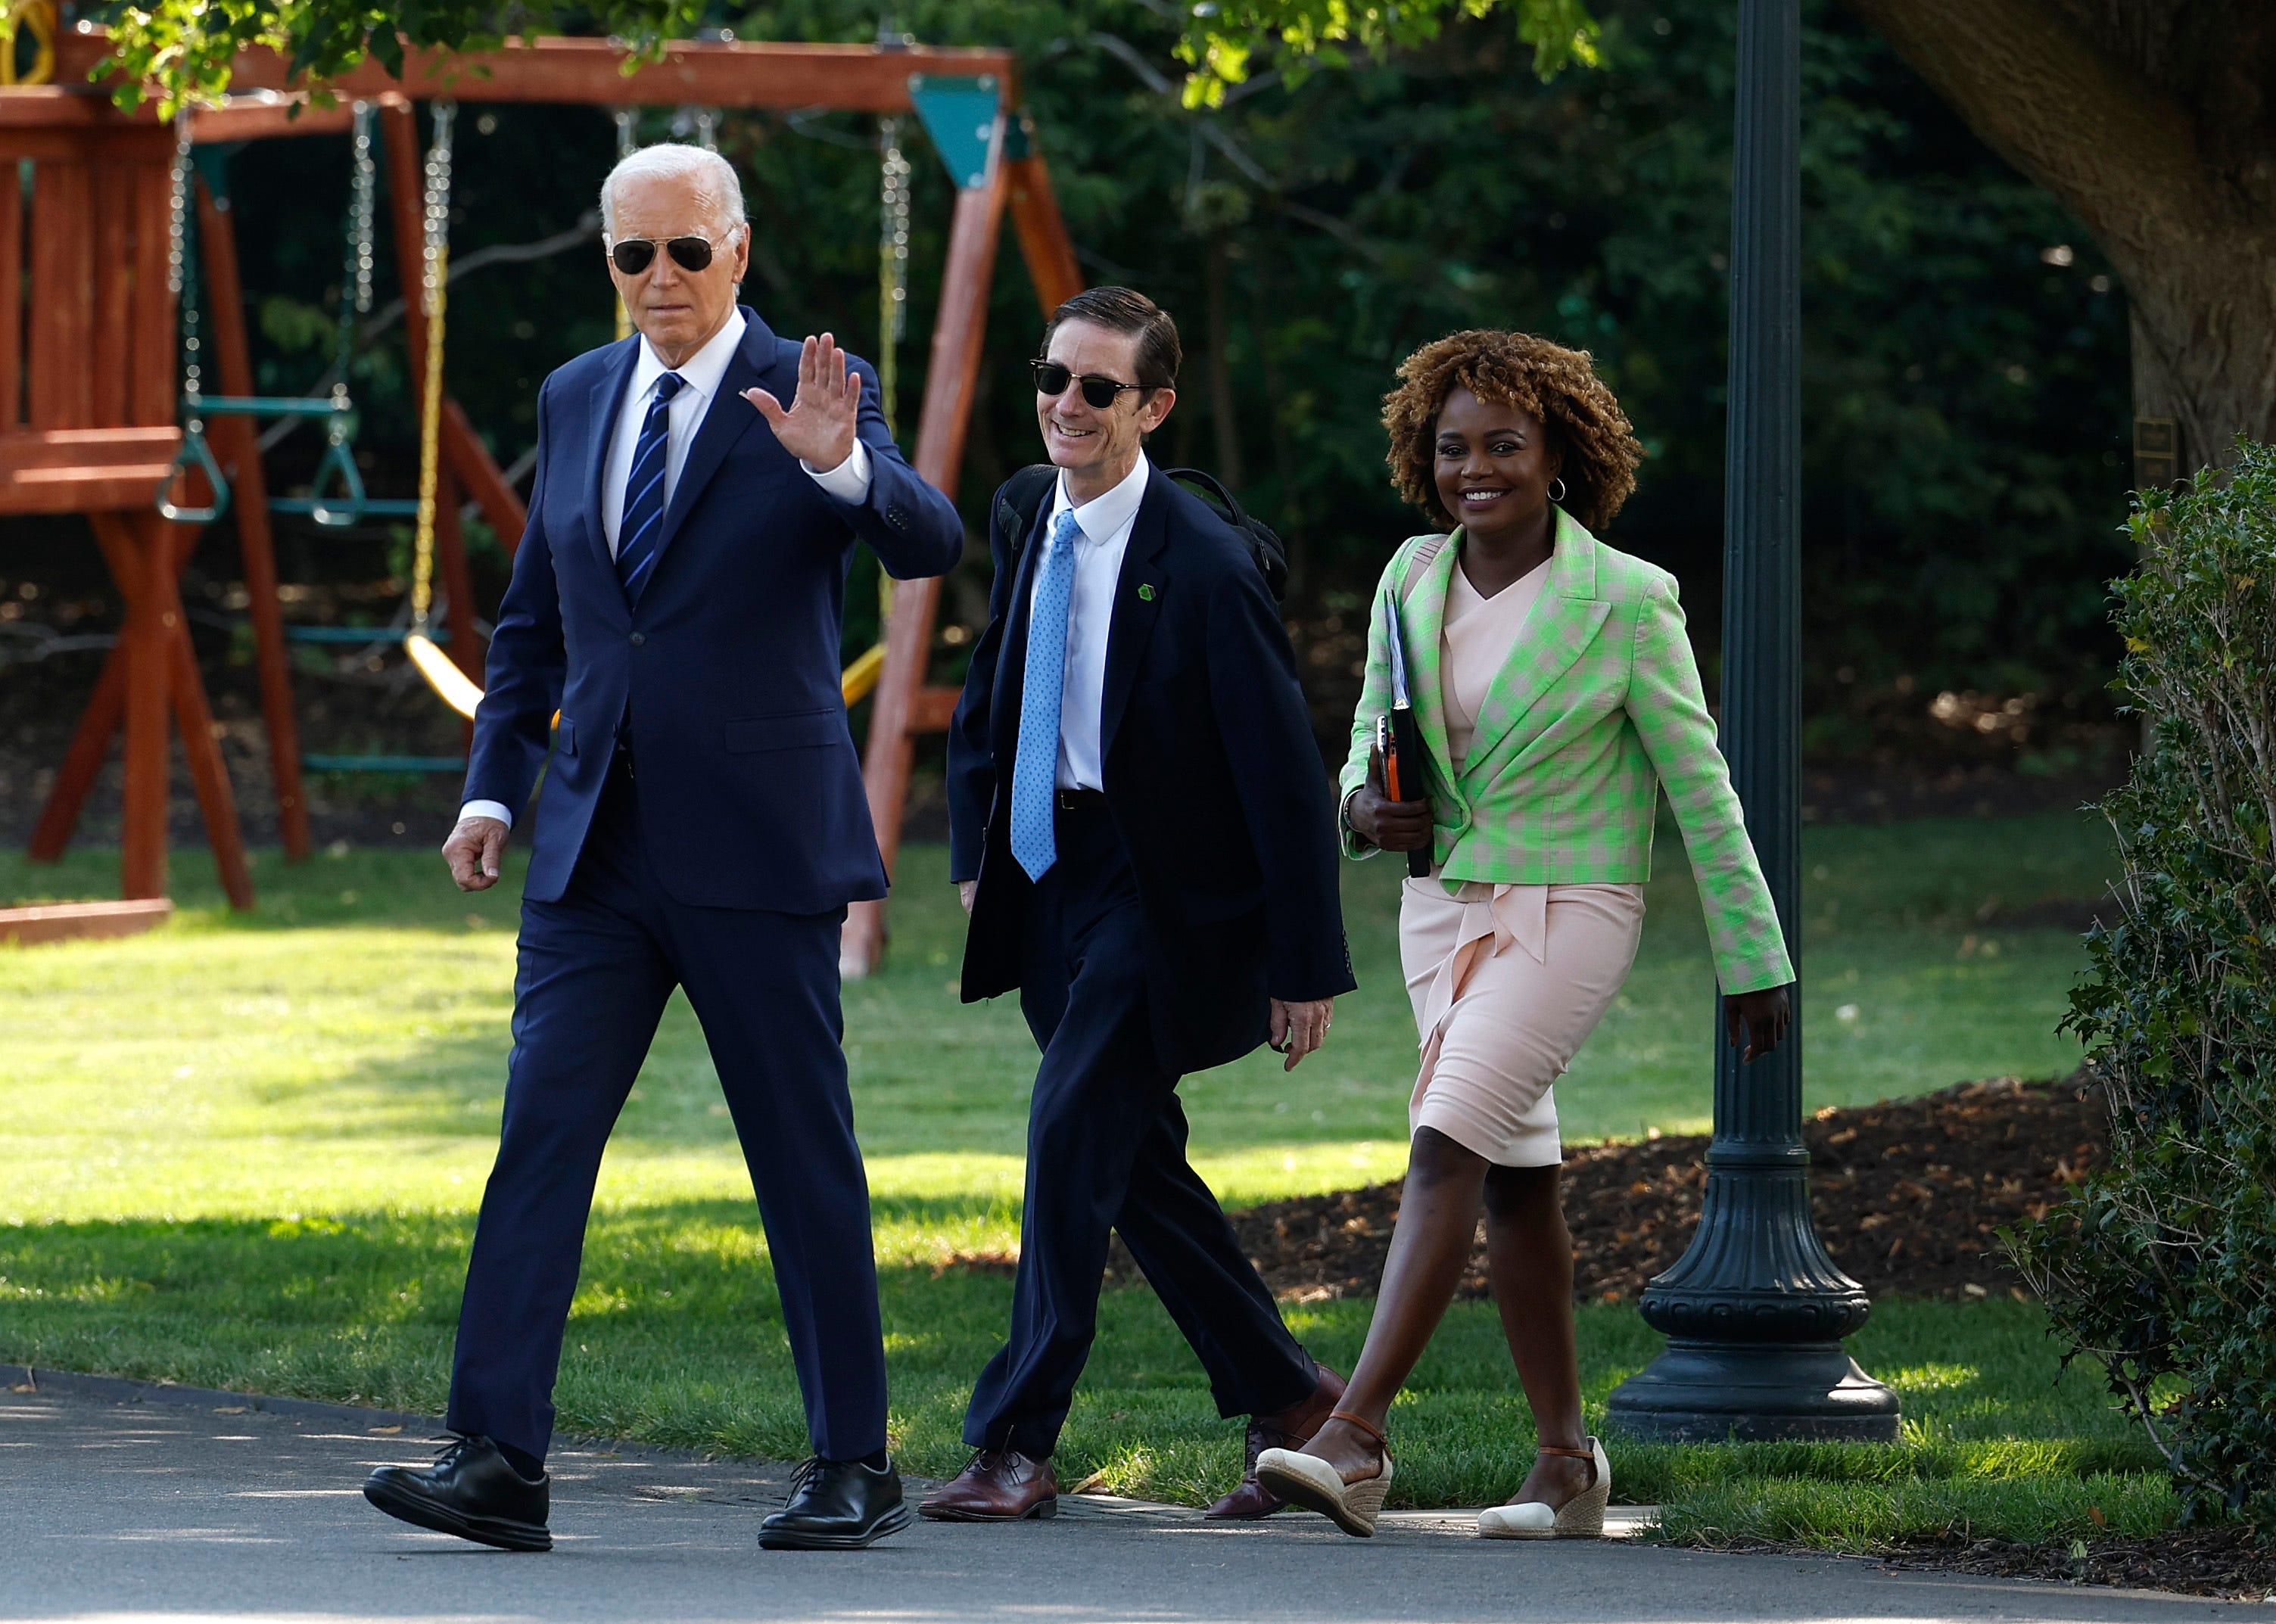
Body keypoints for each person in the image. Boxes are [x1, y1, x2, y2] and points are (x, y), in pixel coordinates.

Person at [359, 144, 963, 1554]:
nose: (661, 280)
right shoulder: (578, 394)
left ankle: (853, 1463)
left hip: (755, 846)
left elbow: (926, 539)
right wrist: (493, 790)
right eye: (634, 255)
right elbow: (538, 620)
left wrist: (839, 463)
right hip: (592, 851)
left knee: (800, 1154)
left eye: (687, 252)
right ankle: (497, 1456)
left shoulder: (816, 387)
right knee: (539, 1141)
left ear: (738, 251)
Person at [1256, 329, 1795, 1538]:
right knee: (1516, 1184)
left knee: (1445, 1140)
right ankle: (1567, 1461)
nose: (1475, 467)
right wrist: (1359, 804)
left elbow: (1700, 789)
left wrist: (1752, 957)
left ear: (1560, 456)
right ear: (1423, 457)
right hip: (1438, 911)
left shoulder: (1628, 600)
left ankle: (1354, 1434)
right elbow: (1364, 740)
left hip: (1570, 913)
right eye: (1453, 447)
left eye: (1505, 443)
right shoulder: (1410, 578)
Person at [923, 287, 1356, 1523]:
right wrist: (978, 847)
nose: (1067, 404)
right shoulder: (1021, 510)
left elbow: (1280, 771)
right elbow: (994, 685)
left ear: (1152, 407)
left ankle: (1015, 1439)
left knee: (1068, 1129)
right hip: (1052, 866)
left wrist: (1302, 960)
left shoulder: (1207, 566)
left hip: (1167, 894)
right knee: (1134, 1157)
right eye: (1053, 377)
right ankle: (1292, 1397)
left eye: (1097, 389)